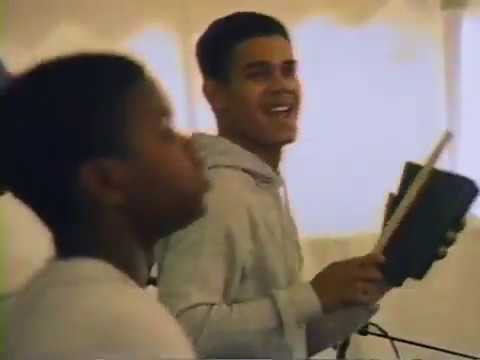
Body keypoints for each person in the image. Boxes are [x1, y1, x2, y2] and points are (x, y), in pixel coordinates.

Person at [154, 11, 461, 360]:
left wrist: (385, 273)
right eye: (258, 74)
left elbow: (288, 344)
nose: (281, 85)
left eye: (288, 70)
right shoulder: (217, 193)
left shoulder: (259, 187)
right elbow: (183, 333)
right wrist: (311, 296)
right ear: (216, 95)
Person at [1, 53, 209, 359]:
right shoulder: (125, 325)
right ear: (105, 181)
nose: (190, 144)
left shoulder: (49, 304)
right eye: (164, 129)